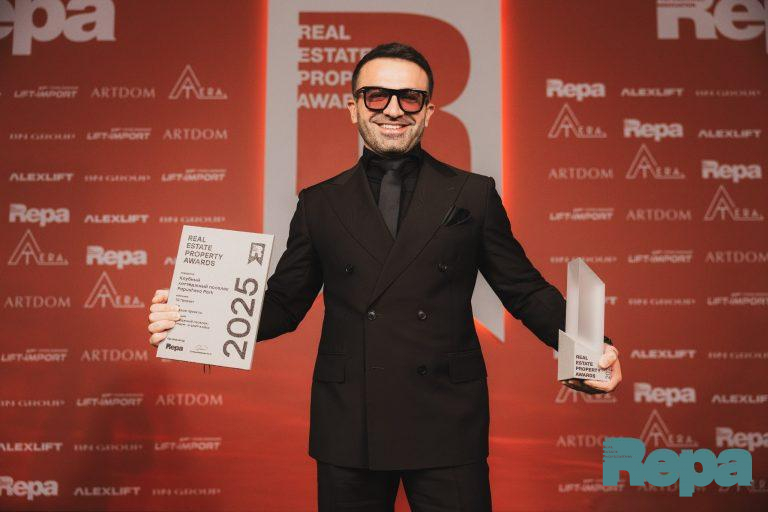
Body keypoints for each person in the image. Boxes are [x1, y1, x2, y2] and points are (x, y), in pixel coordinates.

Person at [148, 42, 622, 512]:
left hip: (446, 417)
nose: (393, 110)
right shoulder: (319, 203)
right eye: (376, 96)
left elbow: (524, 289)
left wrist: (591, 348)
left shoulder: (472, 195)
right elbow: (283, 306)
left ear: (428, 112)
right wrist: (194, 317)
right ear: (353, 108)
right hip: (351, 420)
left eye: (409, 98)